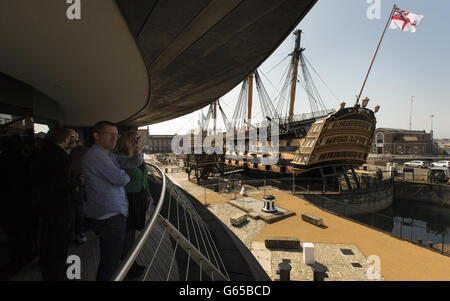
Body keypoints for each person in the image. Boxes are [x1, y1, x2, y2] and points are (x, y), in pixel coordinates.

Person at [82, 121, 143, 281]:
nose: (114, 138)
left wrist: (136, 150)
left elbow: (132, 163)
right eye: (110, 134)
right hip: (109, 216)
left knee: (111, 260)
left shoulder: (107, 155)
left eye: (116, 135)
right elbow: (121, 179)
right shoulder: (96, 156)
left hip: (113, 214)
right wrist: (125, 174)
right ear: (96, 135)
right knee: (110, 263)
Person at [33, 127, 73, 281]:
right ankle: (57, 274)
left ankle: (48, 271)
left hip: (45, 204)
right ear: (64, 139)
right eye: (70, 137)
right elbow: (63, 182)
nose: (71, 140)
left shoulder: (42, 152)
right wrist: (76, 182)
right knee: (58, 242)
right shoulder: (60, 156)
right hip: (59, 206)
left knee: (47, 241)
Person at [115, 132, 151, 279]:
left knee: (130, 235)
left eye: (139, 139)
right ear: (126, 142)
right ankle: (128, 268)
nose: (138, 142)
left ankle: (130, 264)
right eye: (134, 140)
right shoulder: (121, 160)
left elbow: (143, 178)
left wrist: (148, 194)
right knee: (127, 236)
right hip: (128, 200)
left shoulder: (137, 158)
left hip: (139, 198)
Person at [68, 130, 89, 244]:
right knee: (76, 211)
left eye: (72, 136)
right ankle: (76, 233)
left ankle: (79, 233)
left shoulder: (81, 150)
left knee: (79, 211)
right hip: (71, 185)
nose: (70, 138)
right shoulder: (81, 150)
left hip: (77, 184)